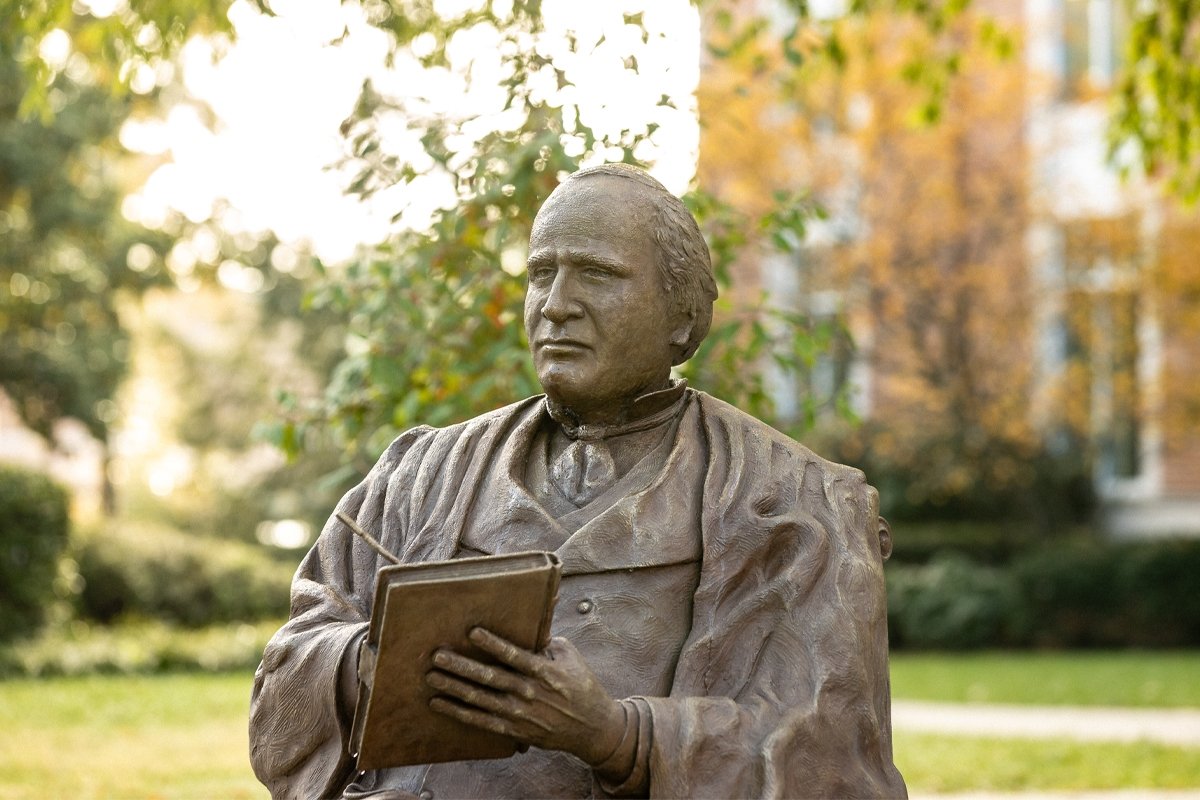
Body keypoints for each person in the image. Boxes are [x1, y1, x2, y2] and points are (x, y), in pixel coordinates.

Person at [249, 164, 907, 799]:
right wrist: (366, 661)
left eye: (597, 274)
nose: (556, 305)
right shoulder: (416, 477)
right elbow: (287, 670)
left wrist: (617, 737)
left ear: (681, 314)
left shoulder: (798, 505)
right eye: (541, 274)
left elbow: (834, 754)